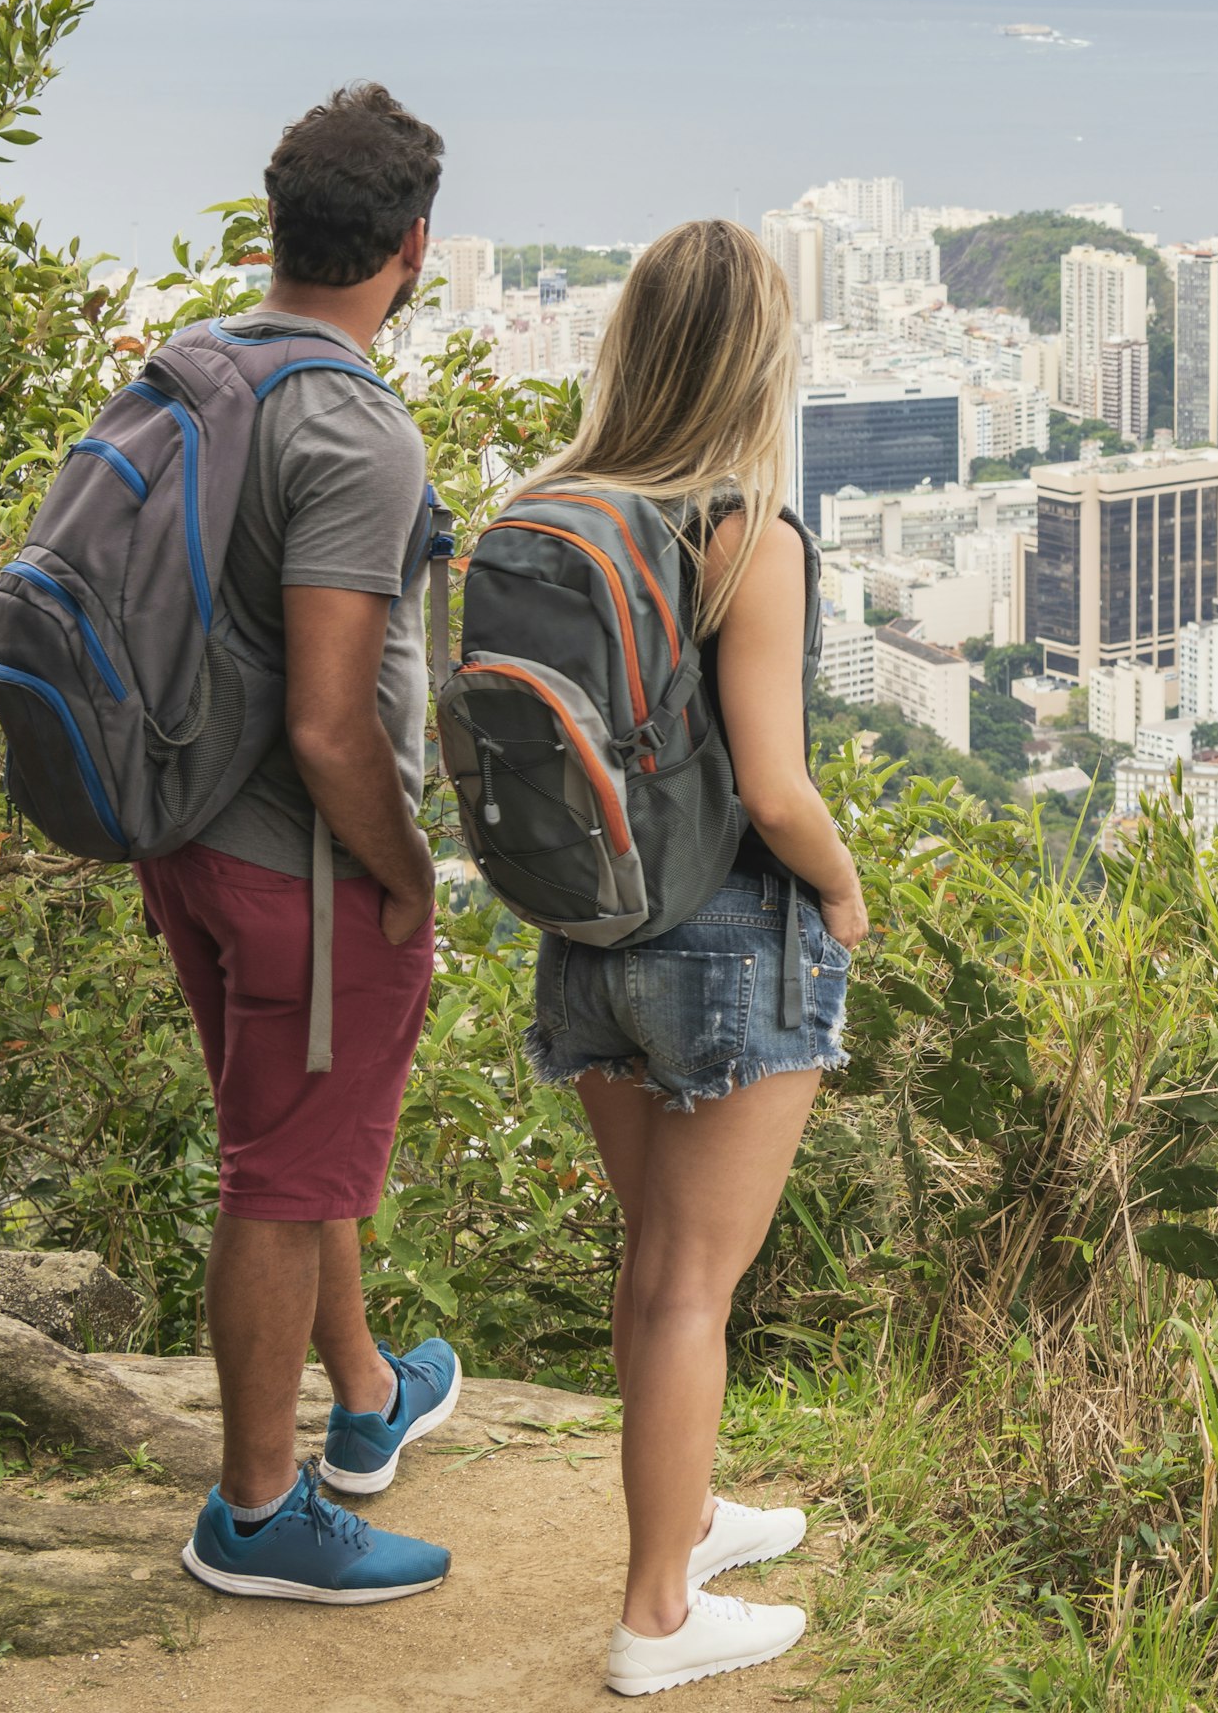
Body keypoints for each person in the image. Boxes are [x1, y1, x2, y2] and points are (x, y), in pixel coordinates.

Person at [511, 219, 870, 1696]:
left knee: (655, 1268)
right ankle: (658, 1616)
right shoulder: (746, 529)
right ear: (756, 363)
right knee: (689, 1289)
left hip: (586, 933)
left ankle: (691, 1520)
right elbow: (774, 788)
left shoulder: (547, 508)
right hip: (725, 941)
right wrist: (844, 896)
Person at [160, 85, 469, 1604]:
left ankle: (364, 1398)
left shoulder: (202, 368)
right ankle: (258, 1512)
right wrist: (405, 871)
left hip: (188, 830)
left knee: (303, 1134)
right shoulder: (352, 425)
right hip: (302, 861)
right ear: (413, 247)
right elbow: (335, 728)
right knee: (282, 1176)